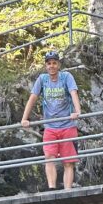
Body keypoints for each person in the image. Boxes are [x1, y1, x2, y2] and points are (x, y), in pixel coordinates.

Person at [21, 49, 81, 191]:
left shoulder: (66, 77)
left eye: (54, 63)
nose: (51, 66)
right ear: (46, 66)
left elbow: (73, 93)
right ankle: (52, 189)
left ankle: (67, 191)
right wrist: (24, 118)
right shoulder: (43, 79)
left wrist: (77, 111)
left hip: (67, 125)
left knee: (68, 162)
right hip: (50, 127)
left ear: (58, 64)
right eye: (49, 63)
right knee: (49, 157)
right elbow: (33, 98)